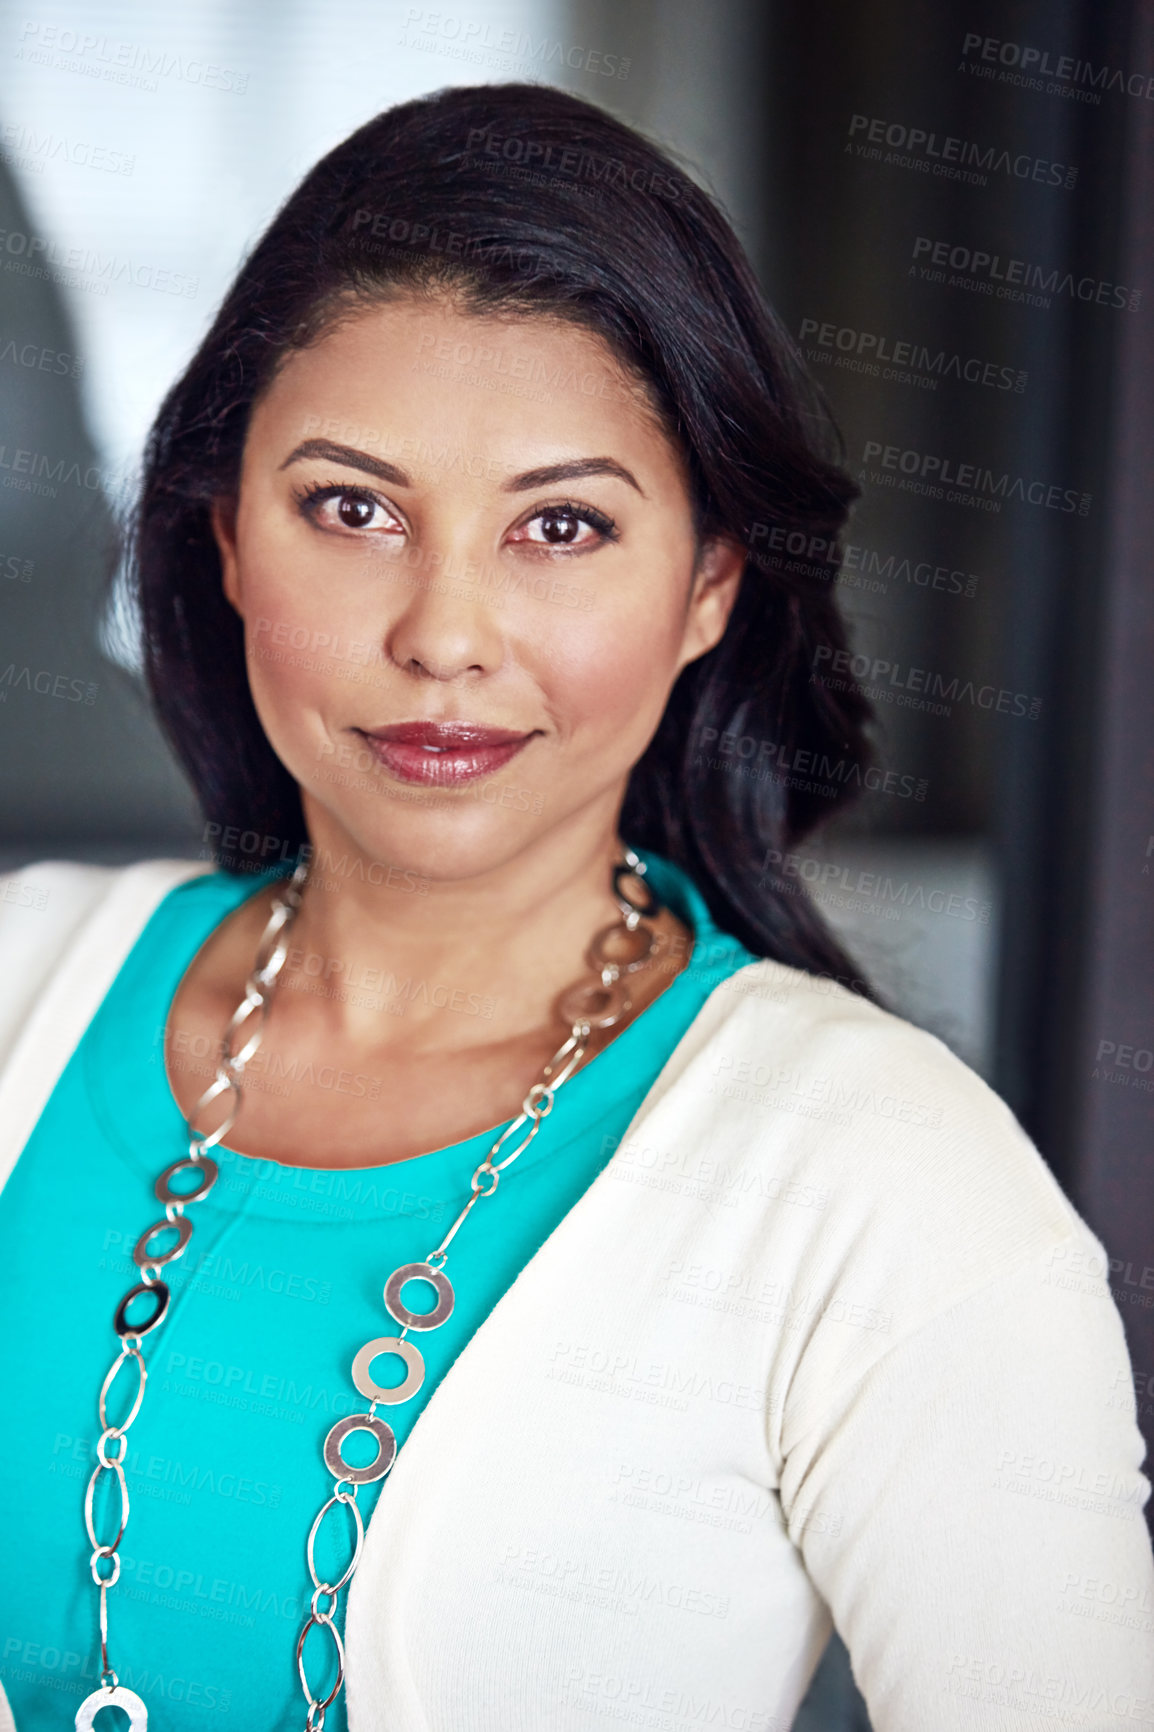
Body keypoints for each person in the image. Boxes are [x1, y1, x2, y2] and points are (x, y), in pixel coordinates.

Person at [0, 81, 1150, 1732]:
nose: (445, 633)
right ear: (227, 542)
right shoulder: (19, 980)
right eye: (352, 509)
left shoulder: (883, 1186)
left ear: (705, 588)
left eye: (559, 526)